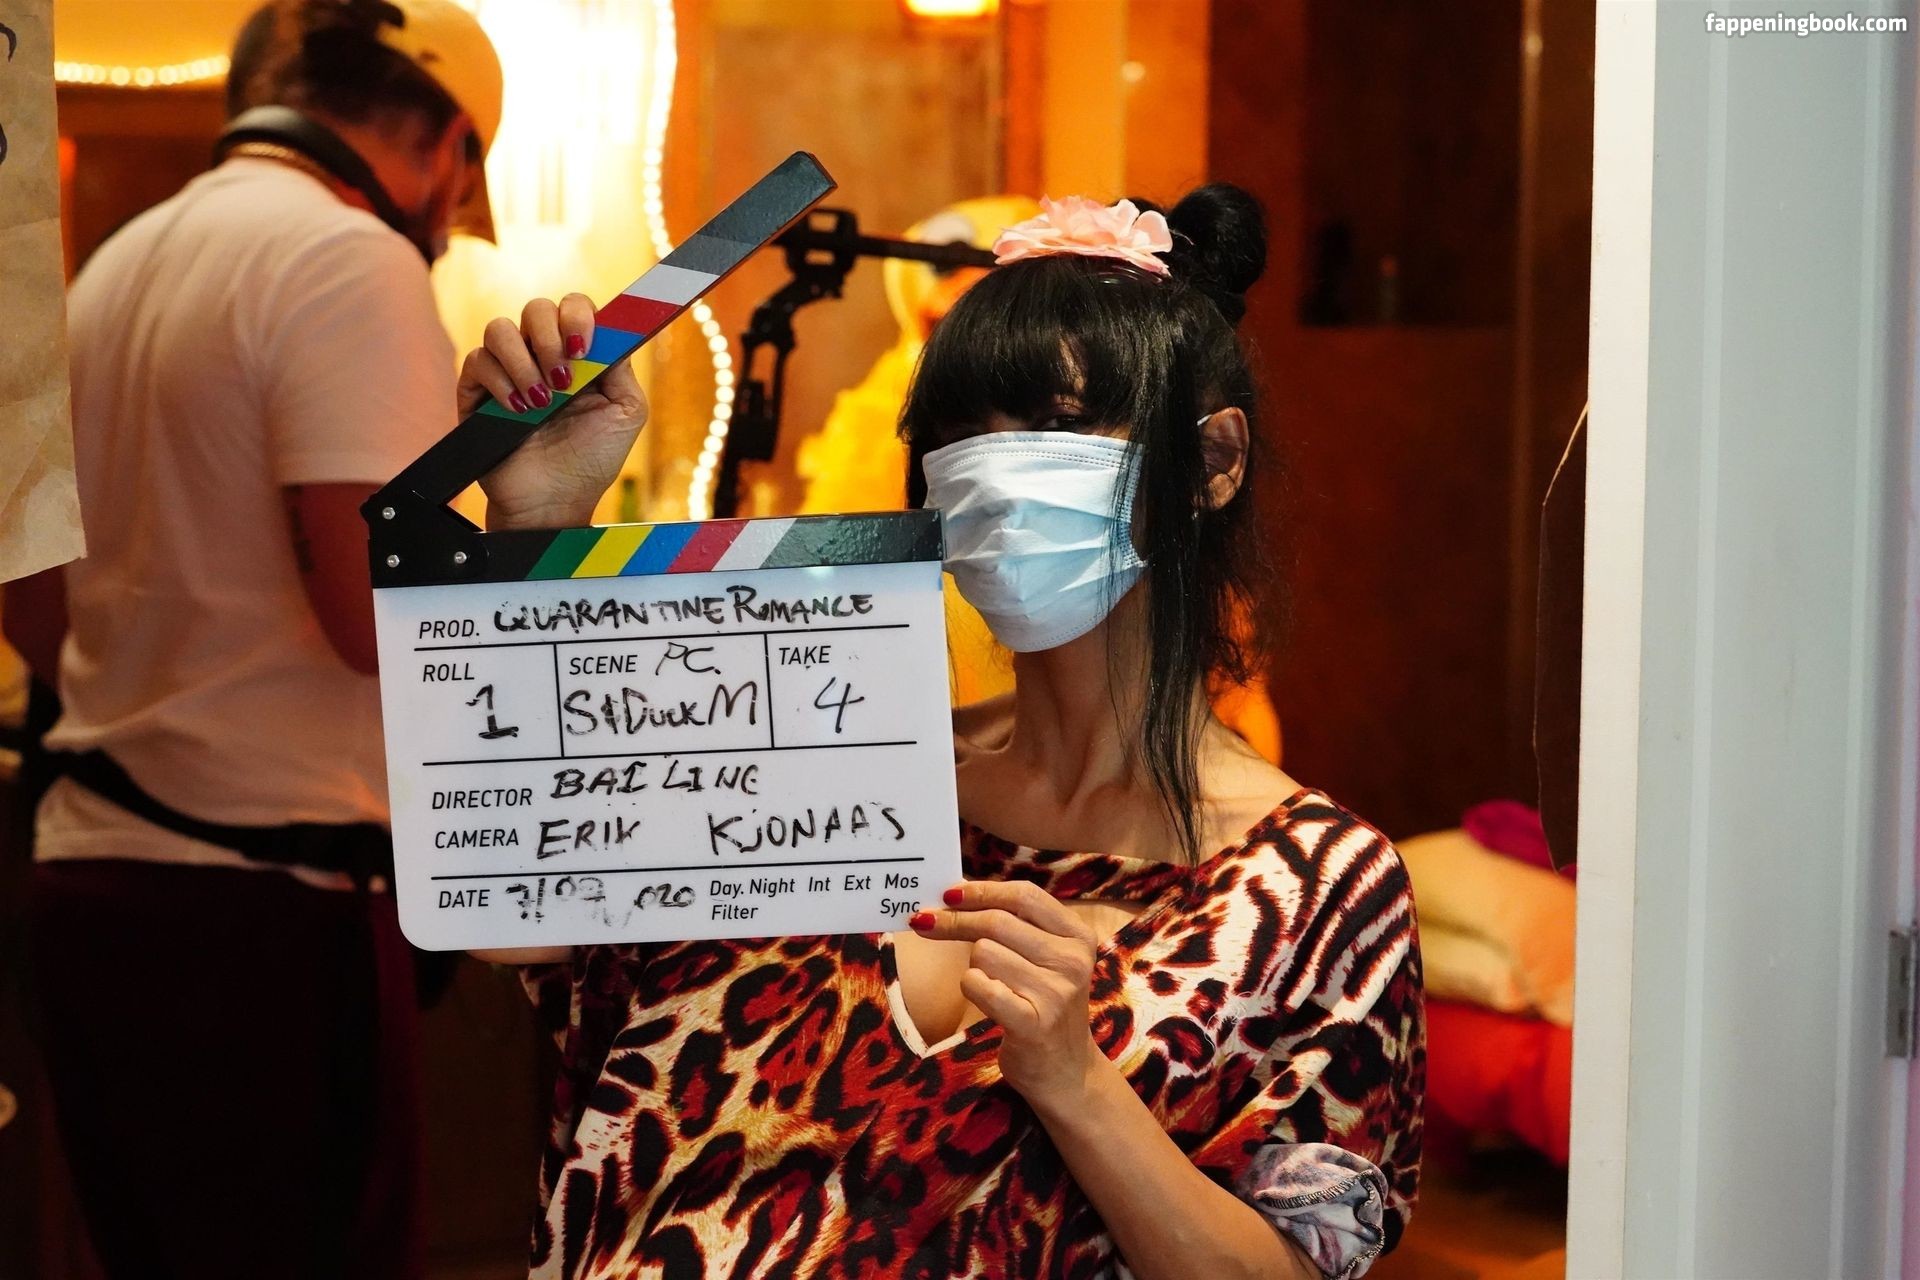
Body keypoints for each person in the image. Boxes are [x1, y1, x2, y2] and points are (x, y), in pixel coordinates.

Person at [472, 187, 1423, 1279]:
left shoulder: (1321, 891)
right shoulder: (818, 765)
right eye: (960, 435)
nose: (996, 469)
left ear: (1213, 461)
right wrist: (536, 524)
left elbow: (1297, 1267)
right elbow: (522, 905)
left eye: (1059, 420)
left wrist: (1078, 1080)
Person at [2, 2, 640, 1274]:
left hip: (96, 877)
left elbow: (33, 606)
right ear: (450, 146)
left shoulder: (119, 257)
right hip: (267, 918)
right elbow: (375, 622)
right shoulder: (350, 261)